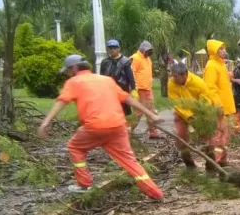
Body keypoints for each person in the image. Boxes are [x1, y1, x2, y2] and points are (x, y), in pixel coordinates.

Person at [38, 55, 164, 200]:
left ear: (74, 68)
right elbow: (127, 98)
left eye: (67, 70)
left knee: (75, 147)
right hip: (118, 126)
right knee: (130, 161)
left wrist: (45, 122)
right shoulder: (106, 80)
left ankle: (84, 184)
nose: (67, 74)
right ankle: (155, 192)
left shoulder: (74, 82)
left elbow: (62, 101)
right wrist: (151, 115)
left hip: (95, 127)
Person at [167, 61, 222, 170]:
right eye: (172, 76)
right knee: (181, 137)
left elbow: (206, 100)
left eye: (175, 76)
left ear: (184, 75)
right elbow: (176, 103)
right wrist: (189, 116)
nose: (173, 78)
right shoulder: (171, 83)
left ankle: (211, 165)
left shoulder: (198, 82)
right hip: (182, 113)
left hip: (200, 113)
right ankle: (189, 165)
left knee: (209, 138)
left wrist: (199, 116)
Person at [203, 39, 236, 164]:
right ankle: (215, 162)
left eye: (224, 48)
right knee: (219, 136)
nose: (224, 51)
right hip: (219, 107)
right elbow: (210, 88)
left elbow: (221, 81)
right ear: (214, 51)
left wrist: (228, 75)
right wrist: (218, 105)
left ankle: (222, 160)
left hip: (226, 106)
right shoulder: (211, 66)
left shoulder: (221, 64)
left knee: (226, 134)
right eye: (221, 49)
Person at [130, 40, 159, 138]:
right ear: (142, 49)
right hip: (140, 89)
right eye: (148, 51)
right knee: (139, 112)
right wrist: (134, 88)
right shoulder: (135, 58)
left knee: (151, 111)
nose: (149, 53)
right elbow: (131, 73)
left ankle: (153, 132)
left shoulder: (148, 59)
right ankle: (128, 131)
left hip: (148, 89)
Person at [99, 39, 135, 115]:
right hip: (109, 91)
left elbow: (130, 76)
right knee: (111, 111)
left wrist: (133, 88)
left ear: (119, 49)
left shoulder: (125, 61)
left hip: (122, 89)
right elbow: (101, 77)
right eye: (110, 48)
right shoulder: (105, 62)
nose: (112, 50)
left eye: (114, 48)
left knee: (124, 111)